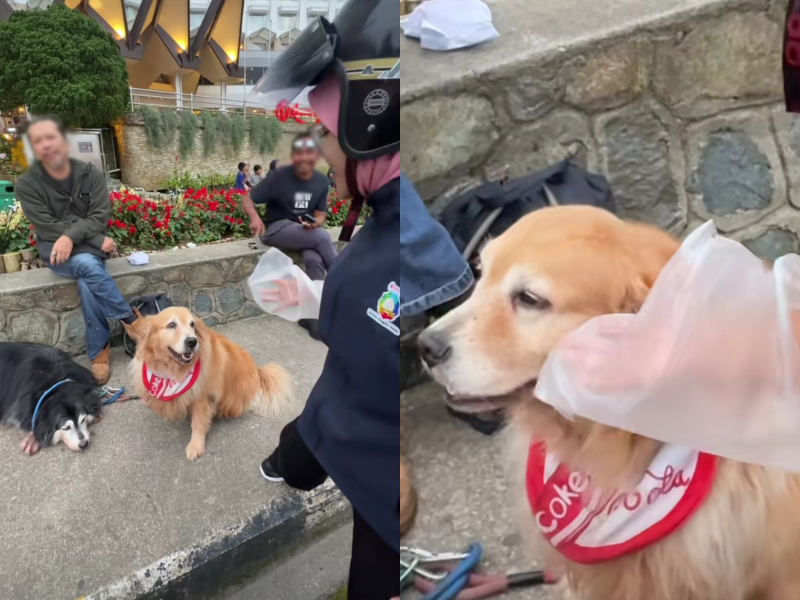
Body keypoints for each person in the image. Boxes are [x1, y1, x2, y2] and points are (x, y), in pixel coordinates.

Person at [252, 1, 399, 597]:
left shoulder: (389, 252)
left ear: (374, 128)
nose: (323, 151)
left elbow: (352, 396)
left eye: (330, 134)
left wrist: (321, 305)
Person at [15, 115, 139, 384]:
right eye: (38, 140)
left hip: (88, 253)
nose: (47, 144)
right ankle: (130, 321)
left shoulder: (90, 174)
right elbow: (47, 226)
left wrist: (70, 235)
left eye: (51, 137)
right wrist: (91, 239)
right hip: (57, 254)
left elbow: (99, 216)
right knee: (87, 265)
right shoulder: (27, 184)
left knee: (87, 279)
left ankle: (99, 354)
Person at [241, 132, 338, 336]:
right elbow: (247, 200)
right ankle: (346, 287)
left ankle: (311, 317)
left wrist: (315, 223)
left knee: (314, 258)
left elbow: (320, 215)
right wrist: (255, 218)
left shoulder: (321, 182)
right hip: (275, 228)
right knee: (321, 238)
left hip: (301, 231)